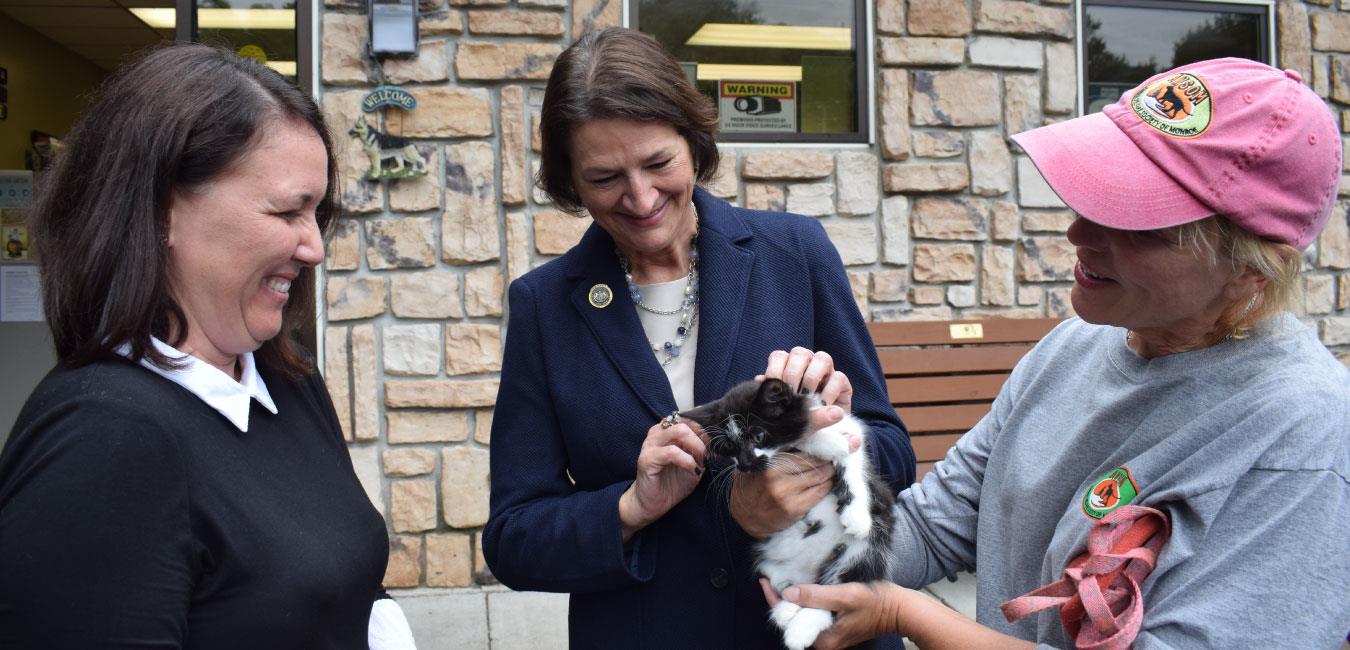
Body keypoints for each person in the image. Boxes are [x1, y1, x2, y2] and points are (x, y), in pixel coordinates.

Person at [761, 58, 1350, 648]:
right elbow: (937, 526)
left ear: (1252, 269)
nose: (1080, 234)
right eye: (1098, 192)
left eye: (1141, 223)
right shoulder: (1073, 346)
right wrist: (811, 515)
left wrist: (908, 616)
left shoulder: (1303, 433)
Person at [482, 28, 916, 647]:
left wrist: (825, 449)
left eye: (659, 163)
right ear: (570, 182)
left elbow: (895, 452)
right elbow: (514, 540)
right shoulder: (543, 307)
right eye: (605, 177)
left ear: (694, 140)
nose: (640, 197)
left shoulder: (795, 253)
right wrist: (631, 507)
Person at [0, 45, 413, 648]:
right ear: (161, 208)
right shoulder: (101, 439)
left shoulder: (285, 385)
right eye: (286, 211)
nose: (314, 247)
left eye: (316, 213)